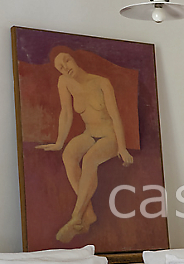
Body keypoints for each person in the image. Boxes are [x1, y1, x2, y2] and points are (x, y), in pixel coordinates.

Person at [37, 47, 133, 242]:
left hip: (110, 137)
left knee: (90, 159)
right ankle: (88, 213)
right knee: (68, 155)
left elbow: (116, 117)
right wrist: (59, 142)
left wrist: (122, 148)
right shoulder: (64, 82)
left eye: (66, 61)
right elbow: (66, 113)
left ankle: (76, 217)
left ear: (75, 59)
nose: (65, 68)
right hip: (89, 134)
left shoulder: (101, 82)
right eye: (60, 67)